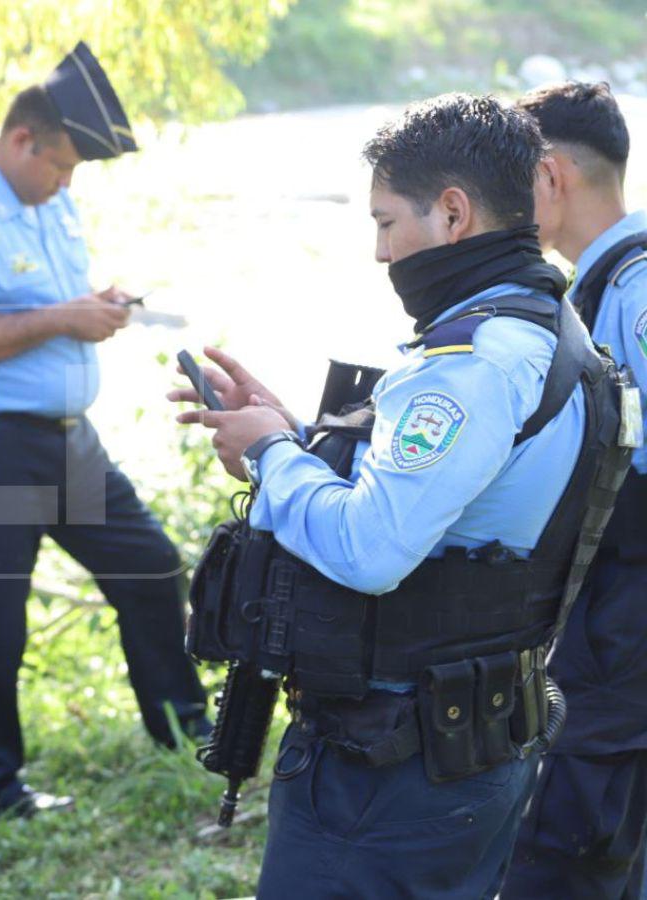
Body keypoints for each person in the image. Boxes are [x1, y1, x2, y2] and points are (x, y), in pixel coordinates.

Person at [172, 93, 632, 897]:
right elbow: (454, 498)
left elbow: (372, 548)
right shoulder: (547, 323)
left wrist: (273, 458)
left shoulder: (474, 363)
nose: (381, 252)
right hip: (464, 741)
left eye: (386, 223)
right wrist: (294, 432)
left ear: (452, 213)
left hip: (392, 769)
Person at [0, 41, 208, 819]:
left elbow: (48, 305)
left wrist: (93, 304)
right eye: (62, 165)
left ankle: (187, 735)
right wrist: (64, 318)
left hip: (66, 436)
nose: (68, 182)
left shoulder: (50, 200)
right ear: (20, 141)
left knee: (149, 565)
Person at [501, 81, 647, 900]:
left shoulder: (634, 289)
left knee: (570, 849)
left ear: (550, 177)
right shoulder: (597, 286)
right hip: (612, 619)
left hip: (628, 626)